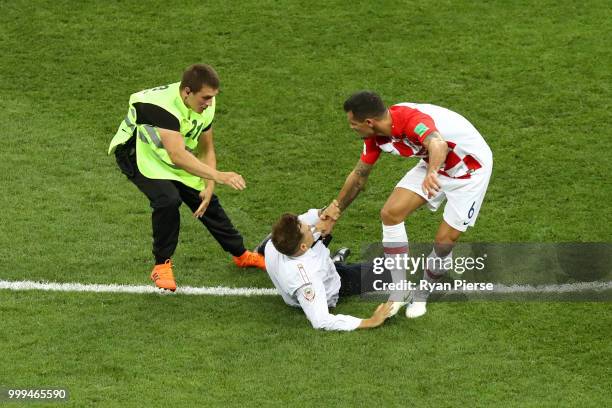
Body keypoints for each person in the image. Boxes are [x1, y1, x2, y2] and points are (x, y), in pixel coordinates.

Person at [319, 91, 493, 318]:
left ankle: (422, 294)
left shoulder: (412, 121)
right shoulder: (375, 136)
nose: (352, 128)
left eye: (354, 124)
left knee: (443, 243)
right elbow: (359, 175)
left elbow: (438, 143)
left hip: (470, 171)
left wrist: (432, 172)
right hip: (434, 165)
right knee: (390, 213)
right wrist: (334, 211)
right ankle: (400, 290)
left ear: (369, 122)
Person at [108, 64, 265, 292]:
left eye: (213, 97)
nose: (210, 103)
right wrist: (219, 176)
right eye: (206, 97)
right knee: (167, 199)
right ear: (187, 92)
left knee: (202, 196)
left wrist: (209, 184)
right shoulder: (159, 106)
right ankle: (161, 265)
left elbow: (206, 150)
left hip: (166, 151)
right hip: (136, 152)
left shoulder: (204, 103)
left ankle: (240, 254)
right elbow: (178, 156)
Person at [263, 206, 393, 331]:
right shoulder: (307, 278)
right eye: (308, 229)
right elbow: (321, 321)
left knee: (318, 237)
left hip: (302, 267)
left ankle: (331, 261)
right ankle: (333, 264)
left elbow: (303, 221)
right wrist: (370, 321)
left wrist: (322, 212)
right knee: (389, 271)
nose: (310, 226)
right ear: (303, 247)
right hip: (330, 287)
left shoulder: (273, 244)